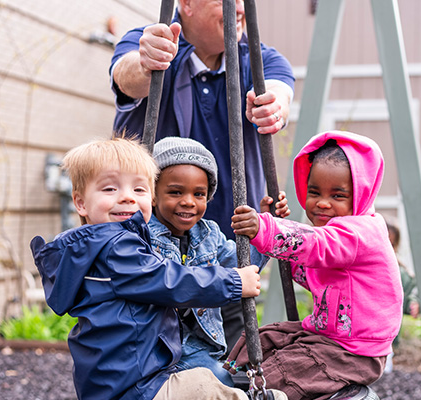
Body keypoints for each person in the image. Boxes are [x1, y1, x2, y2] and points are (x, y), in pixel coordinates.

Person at [29, 137, 287, 400]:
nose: (127, 197)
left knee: (217, 379)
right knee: (207, 386)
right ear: (81, 203)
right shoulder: (116, 247)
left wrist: (263, 232)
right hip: (134, 380)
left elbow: (243, 267)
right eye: (110, 189)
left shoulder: (197, 235)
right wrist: (232, 283)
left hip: (139, 369)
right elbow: (167, 279)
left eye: (138, 190)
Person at [109, 0, 295, 350]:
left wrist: (275, 105)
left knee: (233, 360)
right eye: (225, 0)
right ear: (188, 4)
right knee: (152, 359)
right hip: (148, 255)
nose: (238, 7)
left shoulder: (258, 60)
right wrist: (148, 62)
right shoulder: (149, 42)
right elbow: (126, 75)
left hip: (228, 258)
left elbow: (279, 90)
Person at [227, 130, 404, 399]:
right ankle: (231, 377)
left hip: (355, 352)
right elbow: (308, 270)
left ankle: (261, 392)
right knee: (266, 339)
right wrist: (269, 222)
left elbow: (314, 245)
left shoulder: (359, 232)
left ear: (361, 195)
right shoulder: (338, 237)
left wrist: (265, 228)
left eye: (338, 196)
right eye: (314, 192)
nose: (322, 203)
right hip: (328, 337)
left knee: (279, 373)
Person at [149, 136, 289, 387]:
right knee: (215, 384)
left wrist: (267, 228)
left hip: (197, 347)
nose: (188, 201)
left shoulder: (208, 234)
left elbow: (244, 266)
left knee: (238, 381)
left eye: (199, 194)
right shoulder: (143, 236)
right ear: (152, 195)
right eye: (175, 192)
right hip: (157, 348)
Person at [384, 220, 421, 373]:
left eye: (390, 244)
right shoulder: (357, 265)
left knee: (381, 374)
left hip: (384, 340)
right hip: (352, 337)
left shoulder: (398, 273)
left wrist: (414, 302)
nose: (384, 248)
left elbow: (413, 289)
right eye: (381, 241)